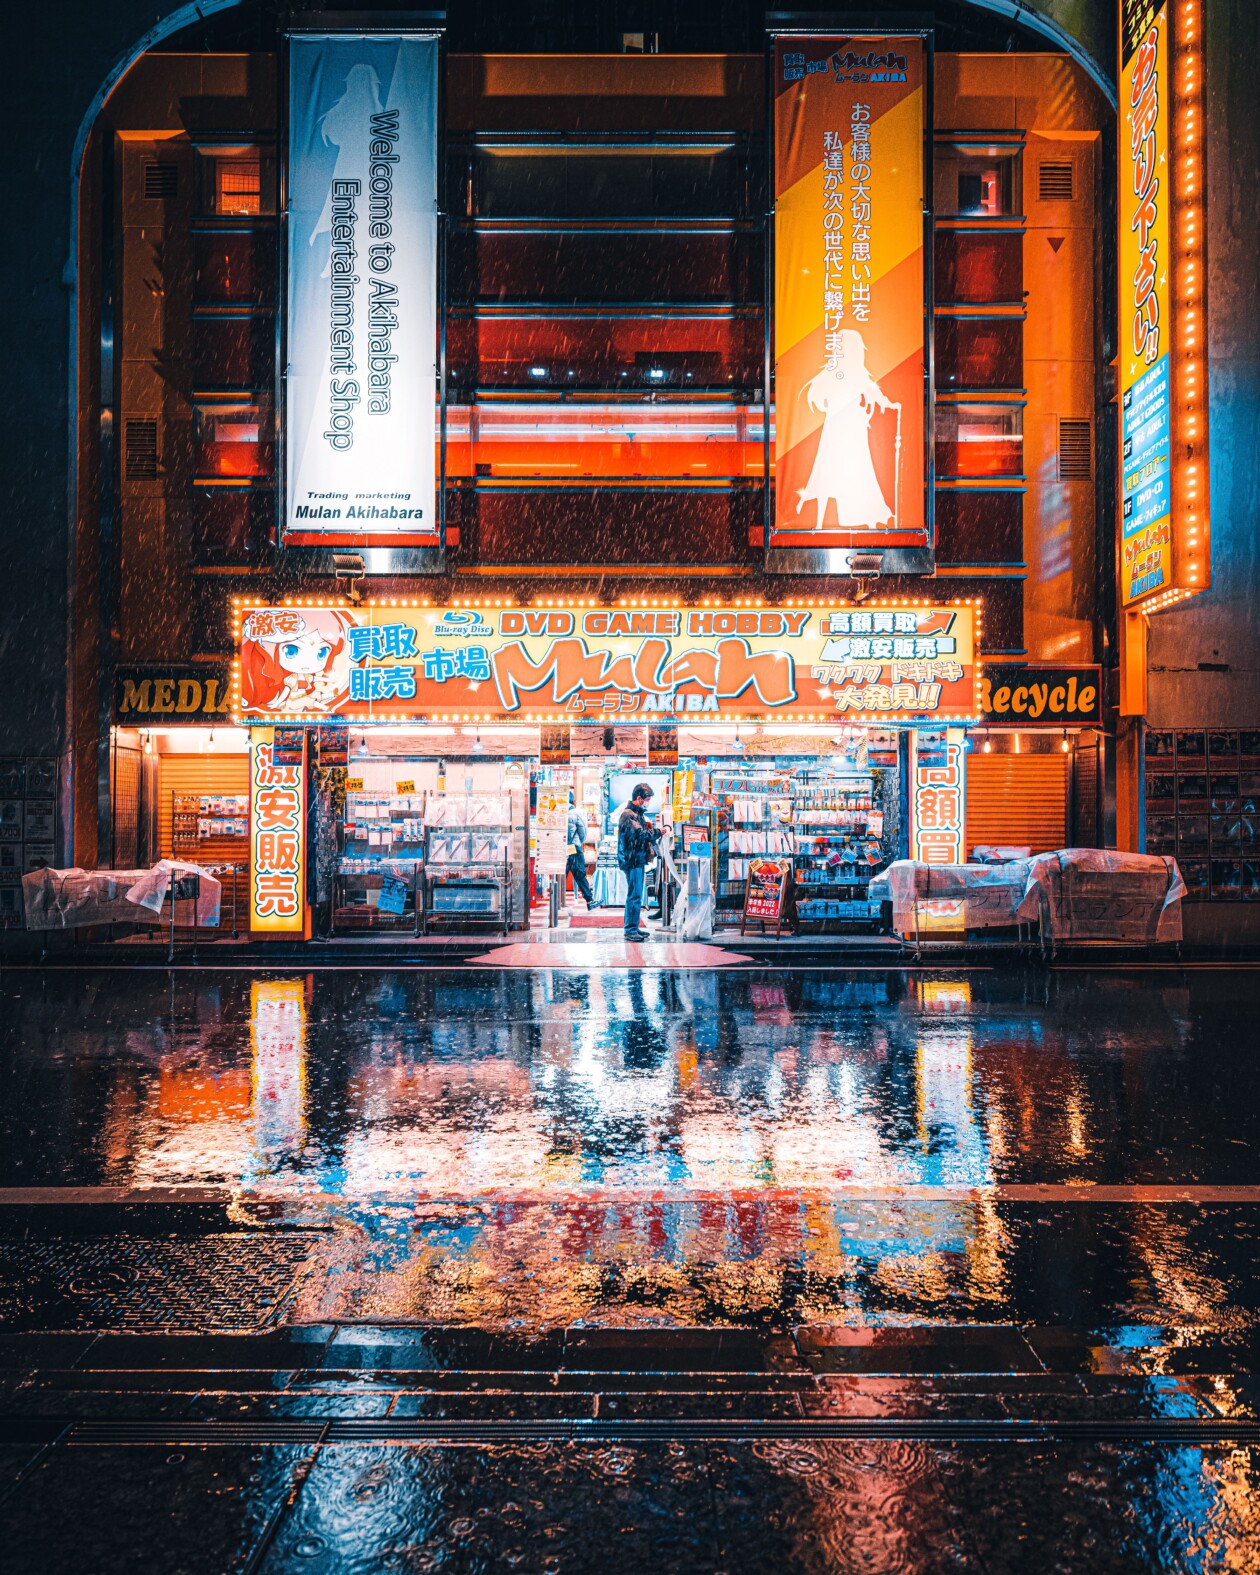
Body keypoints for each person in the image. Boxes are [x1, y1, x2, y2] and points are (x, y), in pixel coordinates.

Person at [617, 782, 660, 941]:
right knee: (634, 896)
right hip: (632, 861)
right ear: (639, 798)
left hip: (637, 860)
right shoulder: (628, 815)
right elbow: (641, 835)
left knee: (636, 895)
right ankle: (630, 930)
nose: (648, 802)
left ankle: (633, 926)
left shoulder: (637, 814)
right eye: (647, 799)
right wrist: (657, 832)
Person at [566, 795, 594, 909]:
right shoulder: (576, 813)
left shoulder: (559, 811)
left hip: (561, 847)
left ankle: (557, 901)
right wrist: (580, 842)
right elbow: (583, 831)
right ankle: (589, 900)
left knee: (562, 874)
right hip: (574, 847)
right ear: (573, 800)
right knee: (580, 873)